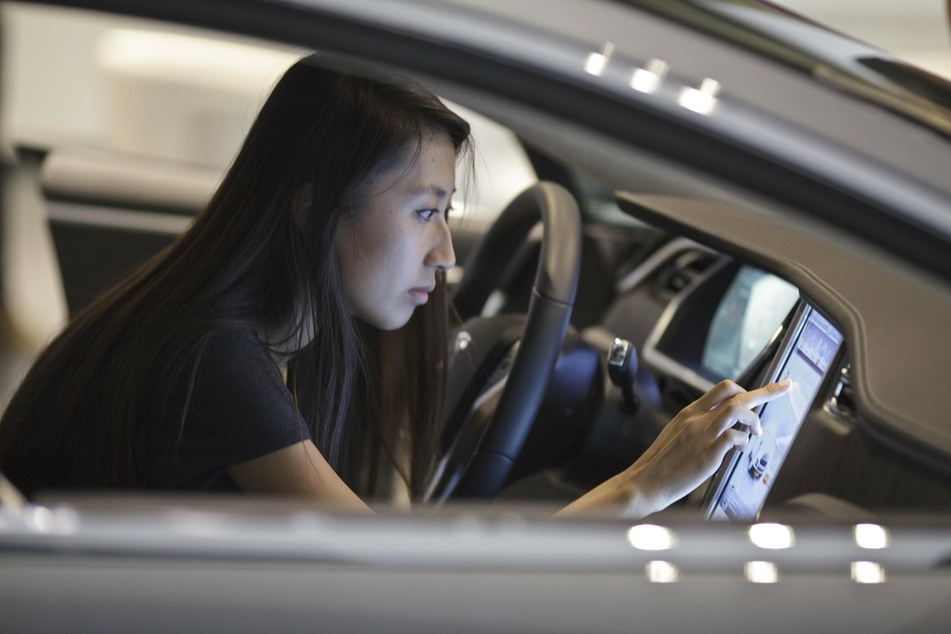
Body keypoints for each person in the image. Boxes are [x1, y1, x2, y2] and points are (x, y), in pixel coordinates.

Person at [0, 54, 788, 518]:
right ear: (314, 205)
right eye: (423, 212)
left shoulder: (236, 327)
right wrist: (644, 484)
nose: (444, 252)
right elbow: (390, 577)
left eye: (446, 214)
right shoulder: (216, 360)